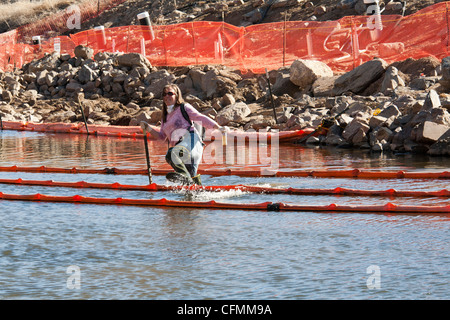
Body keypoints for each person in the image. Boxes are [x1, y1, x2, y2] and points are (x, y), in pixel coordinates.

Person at [140, 84, 228, 186]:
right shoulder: (165, 117)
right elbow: (162, 137)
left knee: (171, 154)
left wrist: (218, 127)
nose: (167, 96)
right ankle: (198, 192)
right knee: (191, 181)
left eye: (170, 93)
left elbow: (200, 118)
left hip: (191, 143)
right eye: (164, 94)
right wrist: (148, 128)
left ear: (177, 95)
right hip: (180, 150)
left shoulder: (184, 107)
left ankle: (184, 176)